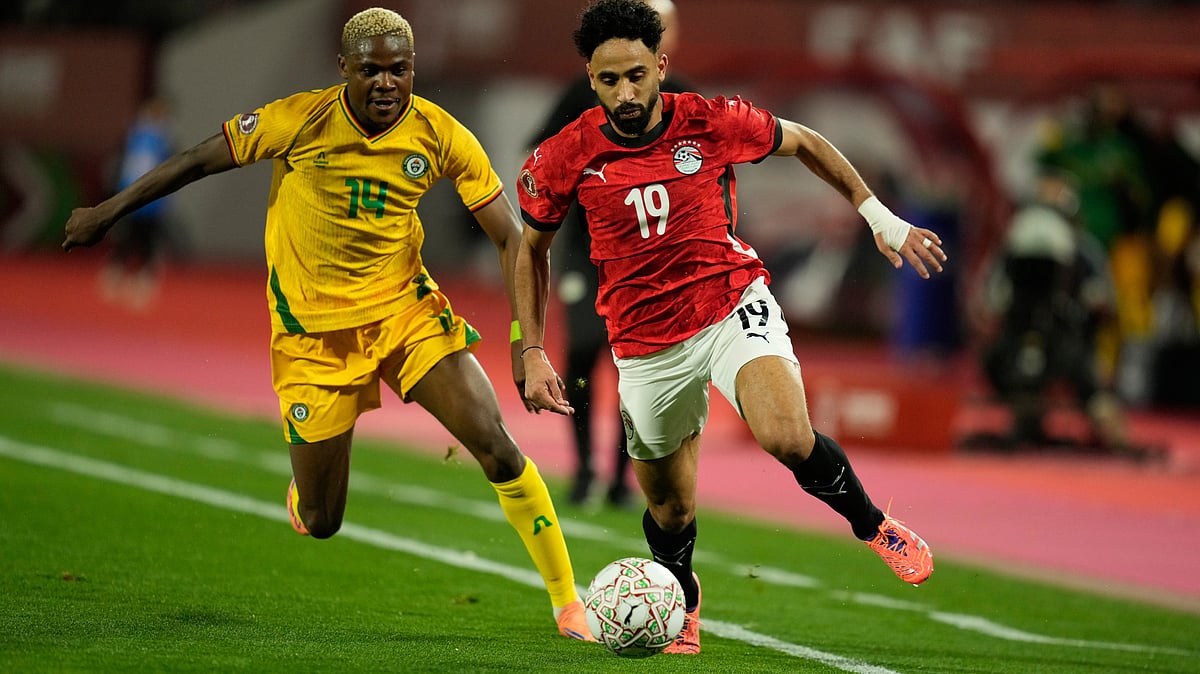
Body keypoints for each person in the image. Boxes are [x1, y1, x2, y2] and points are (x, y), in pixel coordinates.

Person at [62, 7, 594, 642]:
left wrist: (527, 345)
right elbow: (198, 161)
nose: (386, 84)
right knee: (321, 520)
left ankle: (569, 606)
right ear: (344, 69)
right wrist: (109, 211)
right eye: (371, 70)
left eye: (400, 70)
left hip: (404, 317)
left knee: (497, 444)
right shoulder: (300, 118)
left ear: (414, 69)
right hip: (312, 338)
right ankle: (305, 493)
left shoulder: (440, 134)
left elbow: (515, 240)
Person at [514, 0, 943, 654]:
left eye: (636, 75)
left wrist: (877, 214)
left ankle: (873, 524)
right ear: (590, 77)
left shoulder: (709, 121)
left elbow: (805, 142)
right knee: (669, 507)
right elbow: (531, 249)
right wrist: (534, 348)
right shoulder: (567, 153)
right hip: (643, 345)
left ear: (660, 65)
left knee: (784, 434)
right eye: (608, 80)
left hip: (729, 305)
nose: (625, 92)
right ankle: (684, 601)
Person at [527, 0, 693, 508]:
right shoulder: (585, 91)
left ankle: (623, 476)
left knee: (636, 369)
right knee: (581, 354)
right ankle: (582, 469)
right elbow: (537, 156)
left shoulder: (684, 98)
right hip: (587, 255)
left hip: (653, 267)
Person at [99, 95, 175, 310]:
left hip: (152, 198)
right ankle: (116, 271)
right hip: (131, 193)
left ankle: (145, 279)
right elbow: (123, 163)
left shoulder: (164, 139)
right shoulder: (134, 134)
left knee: (147, 238)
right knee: (127, 235)